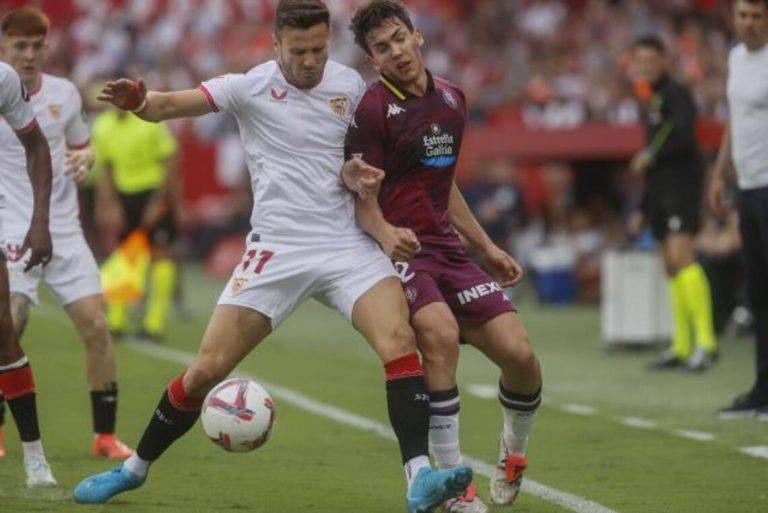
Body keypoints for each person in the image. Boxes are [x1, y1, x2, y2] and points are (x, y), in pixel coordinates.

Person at [73, 2, 472, 511]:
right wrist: (137, 100)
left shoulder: (351, 87)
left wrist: (354, 175)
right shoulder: (248, 86)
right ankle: (133, 469)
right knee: (205, 370)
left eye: (319, 49)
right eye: (300, 51)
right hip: (276, 252)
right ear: (275, 44)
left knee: (399, 340)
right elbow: (167, 106)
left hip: (347, 244)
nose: (310, 61)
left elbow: (366, 156)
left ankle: (418, 477)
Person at [345, 2, 542, 511]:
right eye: (381, 48)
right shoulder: (371, 110)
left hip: (450, 251)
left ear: (417, 36)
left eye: (398, 39)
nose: (395, 52)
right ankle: (455, 485)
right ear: (373, 60)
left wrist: (486, 247)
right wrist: (387, 234)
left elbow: (443, 182)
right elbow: (361, 199)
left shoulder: (453, 98)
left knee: (520, 355)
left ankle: (513, 452)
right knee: (438, 333)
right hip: (403, 253)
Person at [0, 6, 133, 463]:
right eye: (21, 46)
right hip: (10, 227)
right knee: (11, 323)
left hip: (64, 227)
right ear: (4, 47)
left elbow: (81, 146)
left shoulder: (66, 94)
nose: (31, 54)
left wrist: (86, 159)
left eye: (38, 45)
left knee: (96, 326)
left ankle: (105, 436)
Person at [627, 34, 717, 371]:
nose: (646, 68)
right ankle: (681, 345)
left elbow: (684, 136)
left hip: (681, 187)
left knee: (683, 257)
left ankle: (706, 344)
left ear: (664, 61)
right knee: (670, 264)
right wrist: (641, 207)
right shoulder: (650, 100)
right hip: (660, 191)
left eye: (651, 62)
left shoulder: (677, 95)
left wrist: (651, 153)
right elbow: (652, 160)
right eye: (641, 63)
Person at [709, 0, 768, 419]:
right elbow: (736, 116)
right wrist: (719, 171)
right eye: (742, 15)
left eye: (756, 16)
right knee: (759, 291)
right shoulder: (735, 57)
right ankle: (763, 387)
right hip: (747, 187)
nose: (748, 23)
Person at [0, 58, 54, 485]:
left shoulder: (2, 77)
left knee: (4, 330)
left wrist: (39, 220)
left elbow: (36, 145)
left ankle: (34, 457)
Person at [92, 103, 180, 343]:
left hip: (153, 192)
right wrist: (110, 204)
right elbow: (107, 169)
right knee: (127, 256)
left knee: (160, 254)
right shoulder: (102, 126)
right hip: (124, 197)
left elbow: (170, 161)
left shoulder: (150, 121)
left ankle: (154, 324)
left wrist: (160, 200)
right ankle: (117, 321)